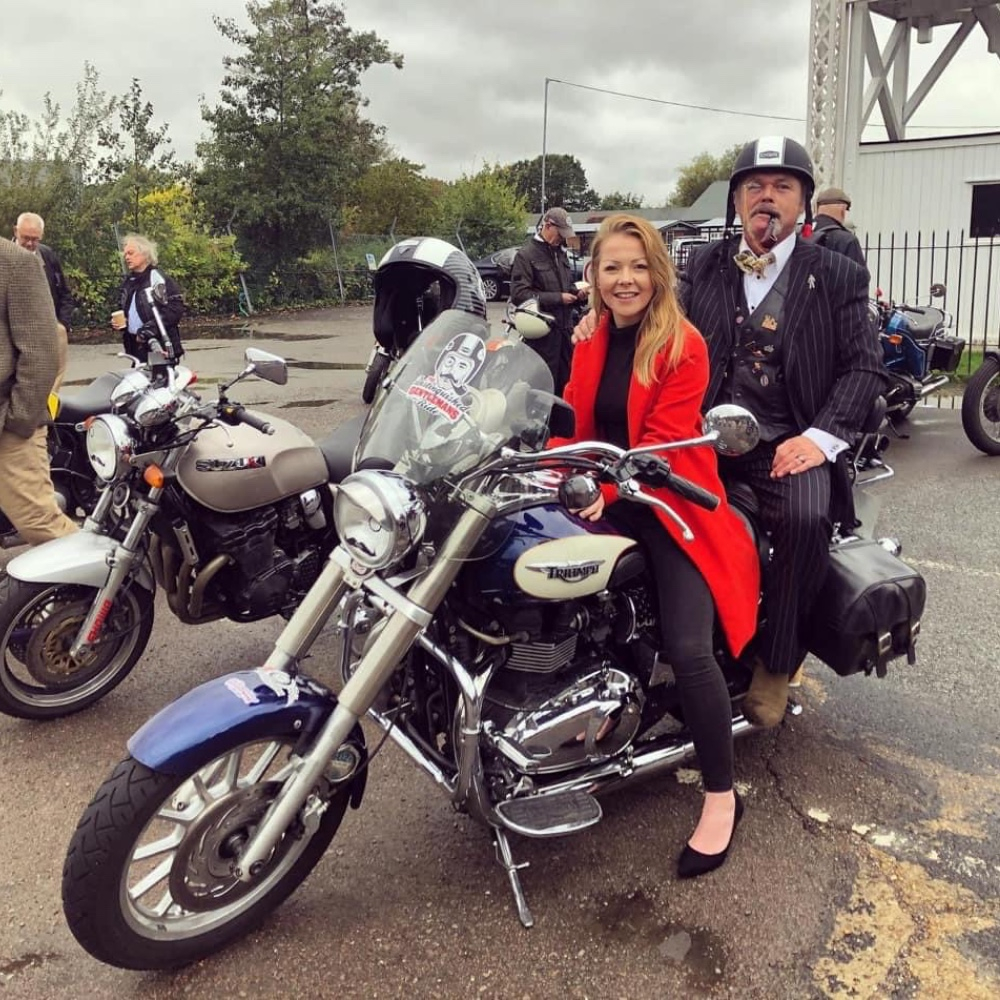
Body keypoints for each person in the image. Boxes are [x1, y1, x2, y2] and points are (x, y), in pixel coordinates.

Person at [574, 138, 885, 730]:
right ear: (737, 200)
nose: (767, 197)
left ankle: (777, 661)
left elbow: (864, 368)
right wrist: (597, 316)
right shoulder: (705, 262)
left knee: (804, 519)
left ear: (802, 200)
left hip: (787, 441)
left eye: (782, 187)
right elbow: (654, 312)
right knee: (645, 510)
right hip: (695, 437)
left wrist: (818, 438)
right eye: (754, 187)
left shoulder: (838, 273)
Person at [555, 214, 760, 878]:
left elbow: (661, 446)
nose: (625, 279)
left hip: (670, 505)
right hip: (602, 492)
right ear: (593, 275)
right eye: (612, 266)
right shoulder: (589, 337)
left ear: (659, 273)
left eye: (638, 266)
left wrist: (604, 489)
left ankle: (721, 797)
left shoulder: (682, 344)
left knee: (689, 647)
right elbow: (574, 422)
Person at [0, 237, 78, 543]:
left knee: (43, 527)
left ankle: (106, 575)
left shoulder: (16, 262)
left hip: (8, 426)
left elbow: (42, 352)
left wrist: (18, 420)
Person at [510, 207, 588, 394]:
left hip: (565, 334)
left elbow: (565, 287)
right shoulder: (526, 256)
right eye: (560, 233)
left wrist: (577, 295)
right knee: (541, 390)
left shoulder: (561, 254)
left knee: (567, 388)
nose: (562, 238)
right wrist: (558, 298)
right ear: (547, 225)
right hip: (542, 338)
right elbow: (519, 294)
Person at [13, 212, 73, 391]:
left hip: (49, 331)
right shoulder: (5, 257)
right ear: (15, 231)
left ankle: (48, 408)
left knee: (52, 381)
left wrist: (62, 324)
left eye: (35, 239)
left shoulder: (47, 255)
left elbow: (64, 293)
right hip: (16, 334)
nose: (30, 243)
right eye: (25, 238)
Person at [117, 234, 184, 363]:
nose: (127, 257)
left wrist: (149, 330)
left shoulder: (157, 278)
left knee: (159, 374)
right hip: (136, 348)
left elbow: (175, 308)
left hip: (159, 346)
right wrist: (122, 321)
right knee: (139, 375)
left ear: (145, 254)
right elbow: (126, 310)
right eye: (125, 254)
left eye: (131, 253)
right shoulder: (129, 282)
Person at [809, 187, 868, 273]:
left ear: (817, 209)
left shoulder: (799, 233)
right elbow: (859, 277)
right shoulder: (847, 240)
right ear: (842, 210)